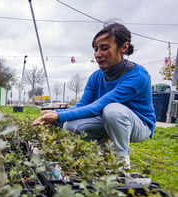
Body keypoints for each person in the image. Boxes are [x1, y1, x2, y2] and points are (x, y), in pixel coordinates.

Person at [31, 22, 156, 169]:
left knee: (113, 109)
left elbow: (98, 106)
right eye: (96, 49)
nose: (98, 54)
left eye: (104, 48)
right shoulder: (96, 77)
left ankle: (122, 159)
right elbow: (82, 106)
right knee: (70, 125)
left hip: (139, 125)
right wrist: (56, 113)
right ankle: (106, 147)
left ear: (123, 47)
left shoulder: (137, 76)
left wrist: (58, 115)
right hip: (108, 120)